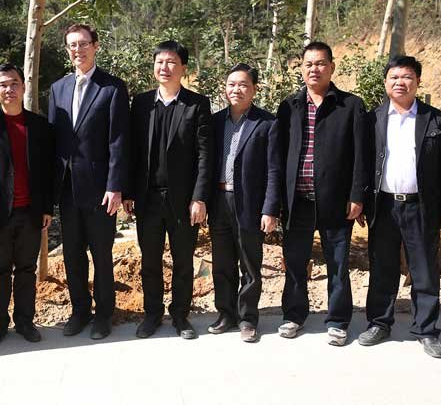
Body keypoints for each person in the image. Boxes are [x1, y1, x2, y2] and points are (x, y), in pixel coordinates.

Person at [360, 56, 441, 358]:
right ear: (385, 82)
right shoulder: (373, 119)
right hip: (384, 206)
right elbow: (362, 165)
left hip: (421, 207)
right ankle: (379, 323)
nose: (400, 82)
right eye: (394, 77)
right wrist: (361, 201)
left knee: (424, 270)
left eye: (406, 77)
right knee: (382, 267)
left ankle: (426, 330)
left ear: (417, 82)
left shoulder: (435, 120)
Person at [276, 41, 366, 346]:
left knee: (338, 264)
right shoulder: (289, 106)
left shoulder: (350, 105)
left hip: (336, 202)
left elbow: (361, 155)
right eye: (308, 64)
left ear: (332, 67)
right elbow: (278, 155)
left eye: (320, 63)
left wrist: (357, 195)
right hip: (297, 202)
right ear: (301, 69)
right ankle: (293, 315)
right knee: (295, 262)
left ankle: (338, 320)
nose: (314, 69)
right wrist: (277, 200)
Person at [124, 40, 212, 340]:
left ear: (183, 68)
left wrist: (199, 197)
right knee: (149, 261)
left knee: (183, 261)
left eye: (171, 62)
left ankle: (180, 315)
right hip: (147, 198)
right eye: (160, 62)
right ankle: (152, 314)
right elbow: (132, 152)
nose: (165, 67)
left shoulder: (197, 104)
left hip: (183, 200)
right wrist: (129, 192)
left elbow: (205, 155)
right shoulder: (141, 103)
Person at [48, 24, 129, 340]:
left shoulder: (112, 88)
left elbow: (118, 140)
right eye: (72, 45)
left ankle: (103, 315)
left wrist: (115, 186)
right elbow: (54, 140)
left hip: (100, 189)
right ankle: (79, 311)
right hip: (67, 189)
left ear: (95, 46)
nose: (77, 50)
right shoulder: (58, 88)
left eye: (83, 44)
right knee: (72, 254)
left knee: (101, 254)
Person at [0, 64, 55, 347]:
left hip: (31, 211)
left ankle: (25, 321)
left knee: (27, 270)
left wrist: (47, 208)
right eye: (3, 84)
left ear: (24, 86)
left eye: (14, 83)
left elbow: (47, 172)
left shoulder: (40, 126)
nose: (9, 89)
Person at [208, 63, 280, 342]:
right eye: (231, 84)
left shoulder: (267, 123)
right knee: (222, 263)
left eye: (243, 85)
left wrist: (270, 209)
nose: (236, 89)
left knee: (250, 265)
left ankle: (248, 319)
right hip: (219, 200)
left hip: (249, 203)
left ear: (254, 89)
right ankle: (225, 314)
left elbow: (273, 169)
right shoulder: (215, 122)